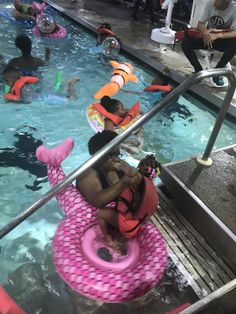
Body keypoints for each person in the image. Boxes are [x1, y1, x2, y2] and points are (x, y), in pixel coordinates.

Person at [76, 130, 159, 252]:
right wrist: (124, 182)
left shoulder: (119, 163)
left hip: (125, 215)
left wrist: (141, 174)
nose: (116, 159)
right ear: (97, 155)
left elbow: (135, 180)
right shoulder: (87, 174)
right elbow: (98, 201)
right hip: (102, 221)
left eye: (117, 154)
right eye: (111, 155)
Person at [181, 0, 236, 86]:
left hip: (223, 39)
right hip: (207, 36)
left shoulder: (234, 8)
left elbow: (235, 32)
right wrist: (206, 33)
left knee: (234, 44)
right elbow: (201, 24)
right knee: (186, 42)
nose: (216, 3)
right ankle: (198, 70)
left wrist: (218, 35)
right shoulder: (210, 3)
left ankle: (217, 73)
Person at [2, 66, 80, 104]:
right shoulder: (19, 86)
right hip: (44, 96)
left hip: (46, 100)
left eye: (7, 81)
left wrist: (11, 100)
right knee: (60, 94)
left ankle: (71, 84)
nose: (6, 83)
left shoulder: (24, 89)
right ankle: (65, 84)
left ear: (15, 79)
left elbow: (27, 102)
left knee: (72, 100)